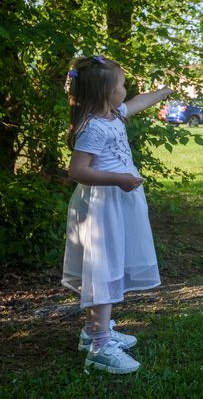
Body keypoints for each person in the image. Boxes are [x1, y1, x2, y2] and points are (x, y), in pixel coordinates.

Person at [63, 55, 173, 374]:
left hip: (117, 202)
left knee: (108, 267)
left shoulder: (113, 115)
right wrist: (119, 179)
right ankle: (100, 347)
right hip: (102, 206)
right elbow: (77, 171)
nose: (125, 90)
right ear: (104, 92)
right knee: (104, 270)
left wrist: (164, 92)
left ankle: (94, 332)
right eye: (121, 85)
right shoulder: (93, 128)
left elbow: (140, 101)